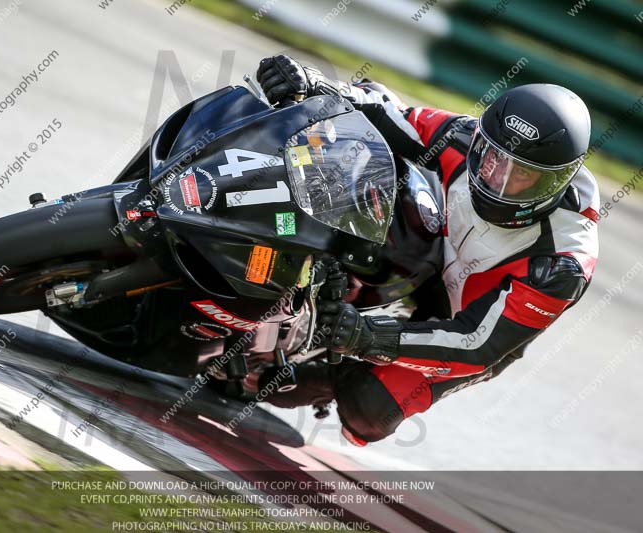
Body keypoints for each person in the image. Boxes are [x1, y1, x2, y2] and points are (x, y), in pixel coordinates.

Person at [254, 55, 600, 446]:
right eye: (494, 161)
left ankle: (327, 371)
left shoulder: (561, 263)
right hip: (433, 242)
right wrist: (313, 82)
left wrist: (365, 337)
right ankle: (292, 282)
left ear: (556, 185)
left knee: (368, 413)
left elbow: (477, 344)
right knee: (369, 174)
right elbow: (393, 114)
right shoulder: (466, 139)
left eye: (523, 177)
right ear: (482, 142)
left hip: (466, 320)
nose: (500, 181)